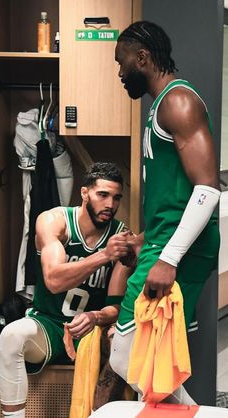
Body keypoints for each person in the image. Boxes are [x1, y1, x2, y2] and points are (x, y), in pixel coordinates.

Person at [109, 20, 221, 403]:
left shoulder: (178, 101)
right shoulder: (160, 105)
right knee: (147, 360)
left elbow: (208, 190)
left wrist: (168, 257)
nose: (120, 73)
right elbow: (175, 192)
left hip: (179, 248)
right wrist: (143, 239)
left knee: (128, 356)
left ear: (142, 58)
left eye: (121, 62)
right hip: (164, 240)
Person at [0, 161, 131, 418]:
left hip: (92, 330)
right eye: (102, 195)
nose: (110, 204)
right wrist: (104, 255)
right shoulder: (55, 222)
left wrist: (95, 317)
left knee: (124, 341)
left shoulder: (120, 236)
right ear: (84, 193)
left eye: (116, 198)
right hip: (50, 323)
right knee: (11, 336)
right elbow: (53, 279)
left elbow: (117, 306)